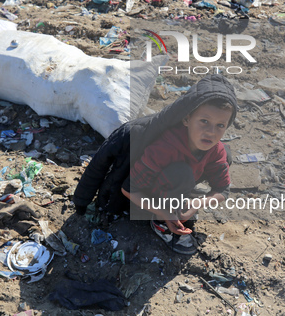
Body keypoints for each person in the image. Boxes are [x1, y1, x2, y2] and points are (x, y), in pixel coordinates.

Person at [73, 74, 238, 254]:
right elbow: (130, 189)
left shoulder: (217, 150)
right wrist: (163, 213)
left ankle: (173, 203)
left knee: (221, 157)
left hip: (172, 187)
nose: (211, 132)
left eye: (220, 125)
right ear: (186, 119)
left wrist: (197, 204)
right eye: (204, 121)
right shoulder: (165, 147)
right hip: (141, 197)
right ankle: (160, 225)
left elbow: (223, 190)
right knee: (181, 174)